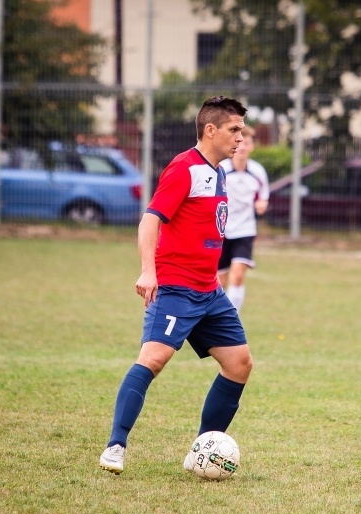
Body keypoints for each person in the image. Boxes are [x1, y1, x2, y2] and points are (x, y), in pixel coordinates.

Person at [99, 96, 254, 475]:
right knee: (153, 359)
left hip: (208, 291)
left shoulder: (217, 171)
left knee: (239, 364)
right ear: (211, 130)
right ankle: (115, 446)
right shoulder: (184, 168)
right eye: (235, 129)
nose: (241, 137)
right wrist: (148, 271)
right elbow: (150, 221)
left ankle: (202, 449)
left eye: (242, 130)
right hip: (176, 289)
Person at [218, 125, 270, 313]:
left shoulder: (258, 171)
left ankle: (231, 319)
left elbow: (263, 197)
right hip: (221, 231)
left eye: (246, 143)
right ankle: (215, 319)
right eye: (238, 142)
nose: (242, 147)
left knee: (238, 276)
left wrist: (262, 204)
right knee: (219, 282)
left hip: (245, 230)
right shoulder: (221, 169)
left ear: (251, 147)